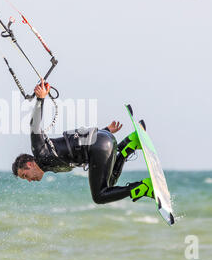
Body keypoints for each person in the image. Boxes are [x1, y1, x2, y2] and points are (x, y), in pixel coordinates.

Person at [11, 78, 154, 204]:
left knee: (99, 196)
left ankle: (143, 188)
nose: (29, 180)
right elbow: (75, 144)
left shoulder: (39, 152)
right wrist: (106, 131)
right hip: (102, 140)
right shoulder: (47, 165)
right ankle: (129, 145)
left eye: (25, 175)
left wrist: (40, 99)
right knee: (109, 184)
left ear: (30, 164)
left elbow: (34, 125)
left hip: (98, 146)